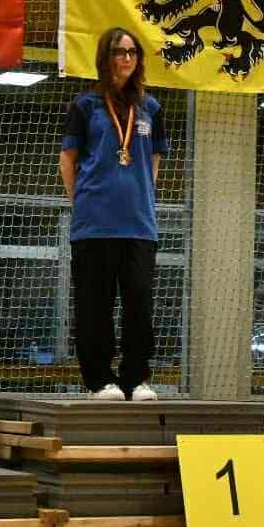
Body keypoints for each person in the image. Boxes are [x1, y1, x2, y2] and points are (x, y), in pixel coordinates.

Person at [59, 26, 168, 401]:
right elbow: (68, 160)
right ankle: (99, 380)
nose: (127, 58)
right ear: (105, 58)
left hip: (139, 226)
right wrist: (82, 203)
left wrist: (143, 197)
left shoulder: (151, 108)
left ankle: (136, 379)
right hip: (94, 226)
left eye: (132, 52)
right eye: (119, 52)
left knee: (139, 303)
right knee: (95, 305)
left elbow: (154, 159)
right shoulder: (86, 106)